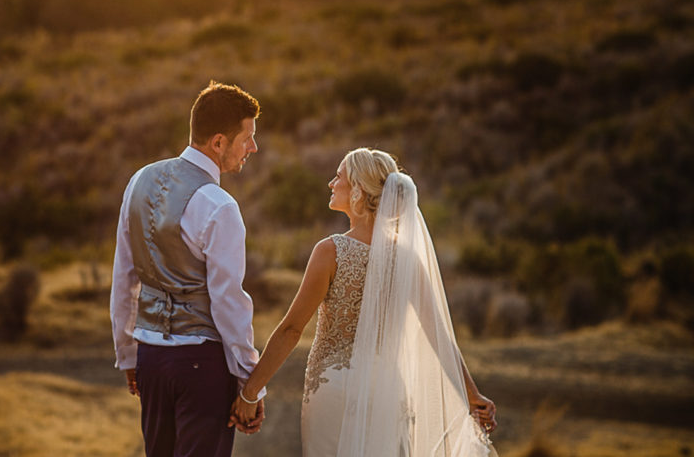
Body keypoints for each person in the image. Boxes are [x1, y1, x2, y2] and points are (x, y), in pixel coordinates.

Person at [230, 148, 498, 456]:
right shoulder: (408, 260)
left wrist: (250, 393)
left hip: (334, 392)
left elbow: (292, 329)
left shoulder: (330, 251)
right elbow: (438, 335)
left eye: (339, 177)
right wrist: (473, 394)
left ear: (358, 189)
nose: (331, 183)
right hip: (387, 396)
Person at [110, 81, 266, 457]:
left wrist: (129, 354)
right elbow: (229, 304)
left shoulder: (138, 181)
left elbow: (124, 278)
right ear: (218, 142)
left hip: (151, 360)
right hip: (200, 366)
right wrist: (249, 385)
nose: (253, 148)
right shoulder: (219, 206)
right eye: (247, 138)